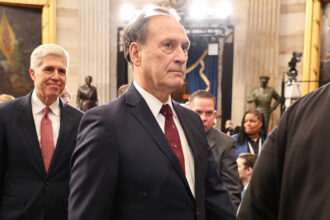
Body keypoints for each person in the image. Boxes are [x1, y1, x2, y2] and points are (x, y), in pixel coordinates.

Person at [69, 6, 235, 220]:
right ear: (136, 54)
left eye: (184, 47)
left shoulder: (192, 120)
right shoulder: (105, 123)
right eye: (168, 45)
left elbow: (214, 198)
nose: (182, 57)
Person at [0, 44, 83, 220]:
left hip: (63, 214)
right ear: (32, 73)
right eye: (49, 69)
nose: (56, 77)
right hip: (17, 214)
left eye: (62, 71)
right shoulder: (5, 115)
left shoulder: (81, 121)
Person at [237, 84, 330, 220]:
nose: (249, 124)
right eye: (246, 121)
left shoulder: (299, 114)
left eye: (253, 121)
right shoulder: (296, 117)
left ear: (261, 124)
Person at [188, 90, 242, 211]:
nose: (203, 118)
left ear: (215, 115)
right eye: (198, 112)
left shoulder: (225, 143)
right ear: (187, 112)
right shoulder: (177, 136)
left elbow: (232, 189)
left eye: (208, 113)